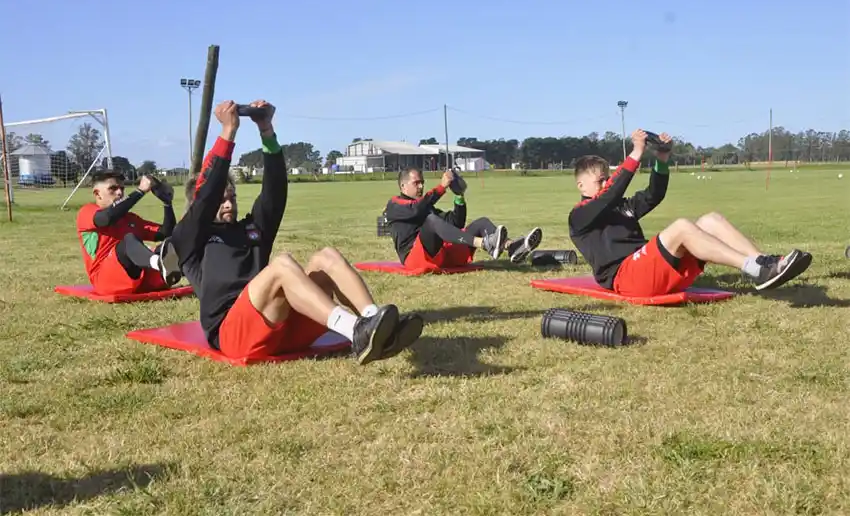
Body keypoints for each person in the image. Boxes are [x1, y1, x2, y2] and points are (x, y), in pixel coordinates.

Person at [169, 99, 423, 365]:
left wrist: (266, 131)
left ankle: (376, 324)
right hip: (234, 335)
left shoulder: (250, 229)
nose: (229, 203)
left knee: (326, 257)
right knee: (281, 266)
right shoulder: (190, 238)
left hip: (278, 326)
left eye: (232, 197)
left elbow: (275, 192)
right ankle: (355, 331)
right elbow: (205, 195)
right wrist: (228, 132)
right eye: (222, 200)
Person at [568, 129, 812, 297]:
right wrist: (636, 154)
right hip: (626, 278)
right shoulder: (579, 217)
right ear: (581, 186)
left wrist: (662, 159)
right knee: (682, 227)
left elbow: (654, 195)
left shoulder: (622, 208)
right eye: (600, 180)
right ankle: (755, 270)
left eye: (607, 178)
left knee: (711, 220)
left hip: (652, 271)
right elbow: (610, 194)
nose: (605, 184)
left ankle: (765, 262)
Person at [385, 167, 543, 269]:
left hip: (440, 256)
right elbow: (416, 210)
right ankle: (485, 243)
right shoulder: (395, 204)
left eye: (422, 183)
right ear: (403, 186)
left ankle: (512, 247)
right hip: (415, 259)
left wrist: (459, 196)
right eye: (416, 183)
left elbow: (455, 223)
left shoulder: (425, 205)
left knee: (482, 222)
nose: (420, 186)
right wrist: (441, 187)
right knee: (432, 220)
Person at [75, 170, 182, 295]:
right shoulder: (87, 212)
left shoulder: (130, 219)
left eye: (121, 188)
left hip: (136, 278)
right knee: (128, 241)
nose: (119, 192)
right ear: (97, 194)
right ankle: (159, 264)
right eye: (113, 189)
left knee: (171, 244)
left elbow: (165, 232)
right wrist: (140, 191)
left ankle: (172, 269)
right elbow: (106, 218)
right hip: (105, 281)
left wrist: (167, 203)